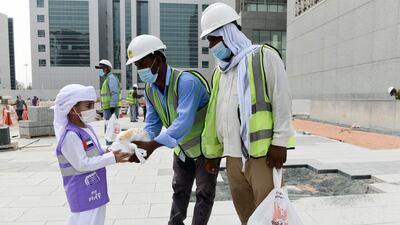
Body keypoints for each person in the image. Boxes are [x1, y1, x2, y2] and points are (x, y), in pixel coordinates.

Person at [199, 3, 296, 224]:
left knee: (271, 216)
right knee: (247, 217)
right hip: (233, 158)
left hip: (262, 157)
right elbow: (216, 115)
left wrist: (280, 141)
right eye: (209, 41)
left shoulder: (263, 57)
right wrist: (213, 152)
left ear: (229, 33)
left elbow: (282, 98)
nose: (211, 45)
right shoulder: (220, 73)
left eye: (214, 39)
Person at [126, 35, 217, 225]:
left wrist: (153, 145)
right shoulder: (151, 90)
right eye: (137, 66)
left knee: (203, 193)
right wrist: (140, 143)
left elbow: (183, 122)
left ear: (157, 60)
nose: (140, 70)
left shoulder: (186, 82)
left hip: (206, 149)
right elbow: (152, 123)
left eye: (142, 64)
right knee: (179, 191)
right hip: (182, 149)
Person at [53, 84, 130, 225]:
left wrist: (109, 149)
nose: (92, 110)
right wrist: (113, 158)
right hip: (82, 190)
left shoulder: (85, 127)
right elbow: (82, 164)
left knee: (94, 220)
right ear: (72, 108)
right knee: (86, 220)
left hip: (94, 186)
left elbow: (92, 148)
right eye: (88, 106)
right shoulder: (70, 134)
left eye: (93, 105)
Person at [95, 59, 122, 144]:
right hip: (108, 108)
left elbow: (114, 93)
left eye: (100, 68)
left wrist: (112, 106)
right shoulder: (108, 79)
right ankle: (110, 146)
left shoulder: (111, 78)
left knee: (111, 129)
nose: (99, 70)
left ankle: (111, 147)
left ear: (106, 69)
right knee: (109, 129)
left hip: (111, 109)